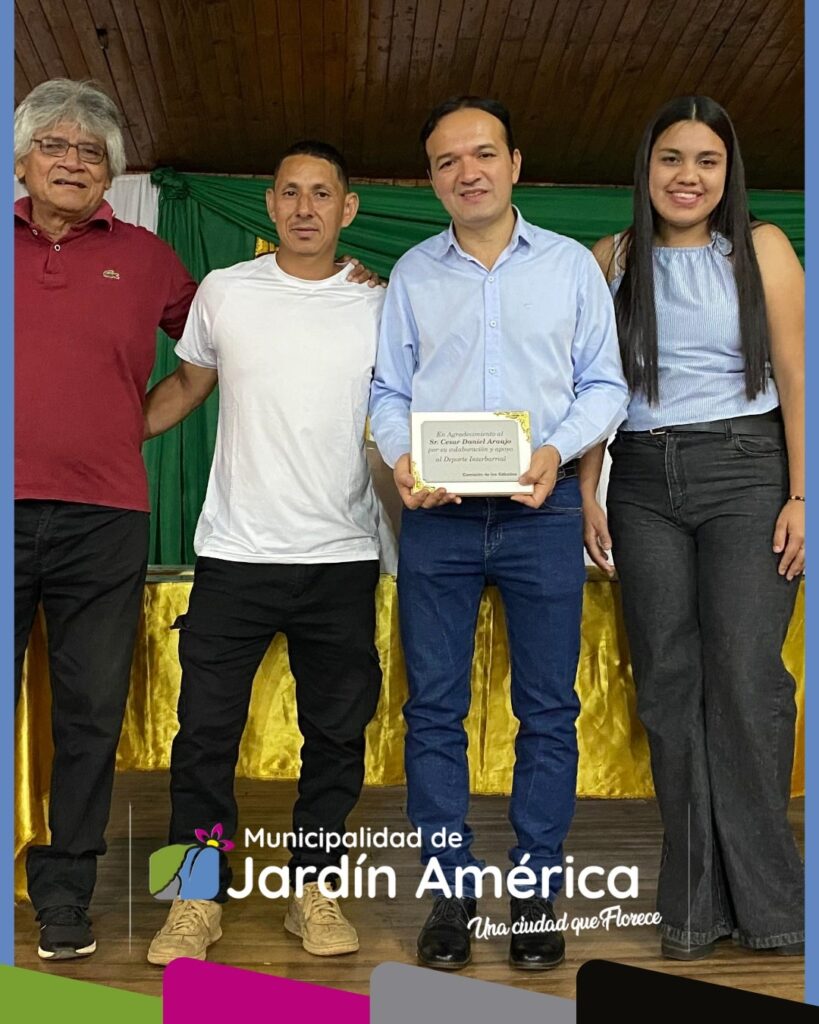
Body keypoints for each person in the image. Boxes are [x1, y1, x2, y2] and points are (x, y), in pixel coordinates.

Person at [369, 96, 629, 971]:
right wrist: (403, 456)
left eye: (483, 154)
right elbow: (388, 393)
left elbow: (606, 385)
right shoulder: (411, 274)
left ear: (516, 163)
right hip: (437, 519)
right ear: (432, 179)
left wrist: (556, 451)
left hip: (540, 512)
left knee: (547, 712)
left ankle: (535, 893)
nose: (467, 171)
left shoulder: (567, 270)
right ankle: (449, 891)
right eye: (447, 161)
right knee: (433, 710)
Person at [145, 141, 385, 966]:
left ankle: (312, 892)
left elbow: (403, 428)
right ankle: (193, 898)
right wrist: (92, 436)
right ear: (271, 205)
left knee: (336, 737)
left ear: (347, 210)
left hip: (343, 556)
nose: (305, 207)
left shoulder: (380, 303)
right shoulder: (224, 292)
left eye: (323, 194)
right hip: (234, 554)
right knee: (203, 733)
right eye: (290, 192)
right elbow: (183, 389)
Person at [580, 95, 804, 960]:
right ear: (646, 169)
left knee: (747, 686)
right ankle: (691, 906)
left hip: (748, 474)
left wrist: (802, 494)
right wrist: (588, 490)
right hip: (638, 479)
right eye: (670, 158)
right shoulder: (611, 258)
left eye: (705, 161)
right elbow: (597, 388)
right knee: (669, 692)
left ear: (725, 173)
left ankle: (772, 907)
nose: (686, 176)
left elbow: (795, 371)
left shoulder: (761, 249)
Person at [14, 79, 198, 961]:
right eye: (56, 145)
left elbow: (216, 349)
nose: (74, 162)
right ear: (23, 159)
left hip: (105, 519)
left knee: (88, 715)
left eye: (92, 153)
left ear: (111, 174)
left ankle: (65, 895)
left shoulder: (151, 257)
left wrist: (142, 420)